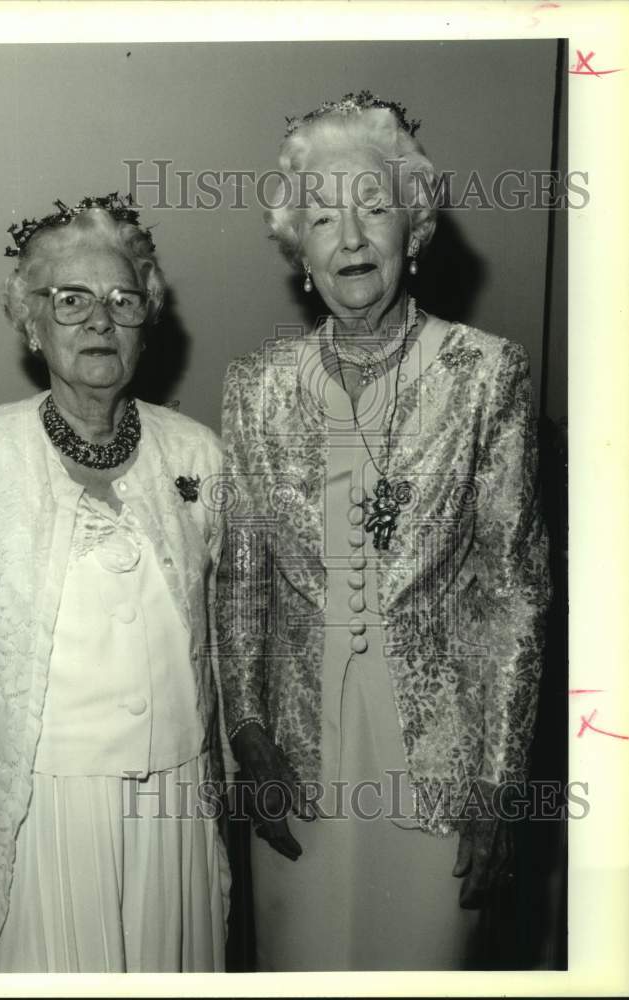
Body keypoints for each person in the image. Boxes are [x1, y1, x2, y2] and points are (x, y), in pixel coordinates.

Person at [216, 92, 551, 970]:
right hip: (297, 763)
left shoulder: (485, 373)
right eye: (323, 217)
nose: (351, 238)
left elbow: (512, 589)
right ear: (300, 250)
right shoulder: (256, 385)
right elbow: (241, 575)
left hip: (440, 761)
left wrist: (497, 783)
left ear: (415, 228)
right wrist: (247, 732)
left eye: (374, 209)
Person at [0, 195, 230, 973]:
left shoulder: (198, 453)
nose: (98, 322)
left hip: (176, 798)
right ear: (31, 323)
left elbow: (217, 634)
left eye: (122, 301)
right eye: (70, 300)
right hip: (39, 802)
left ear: (146, 321)